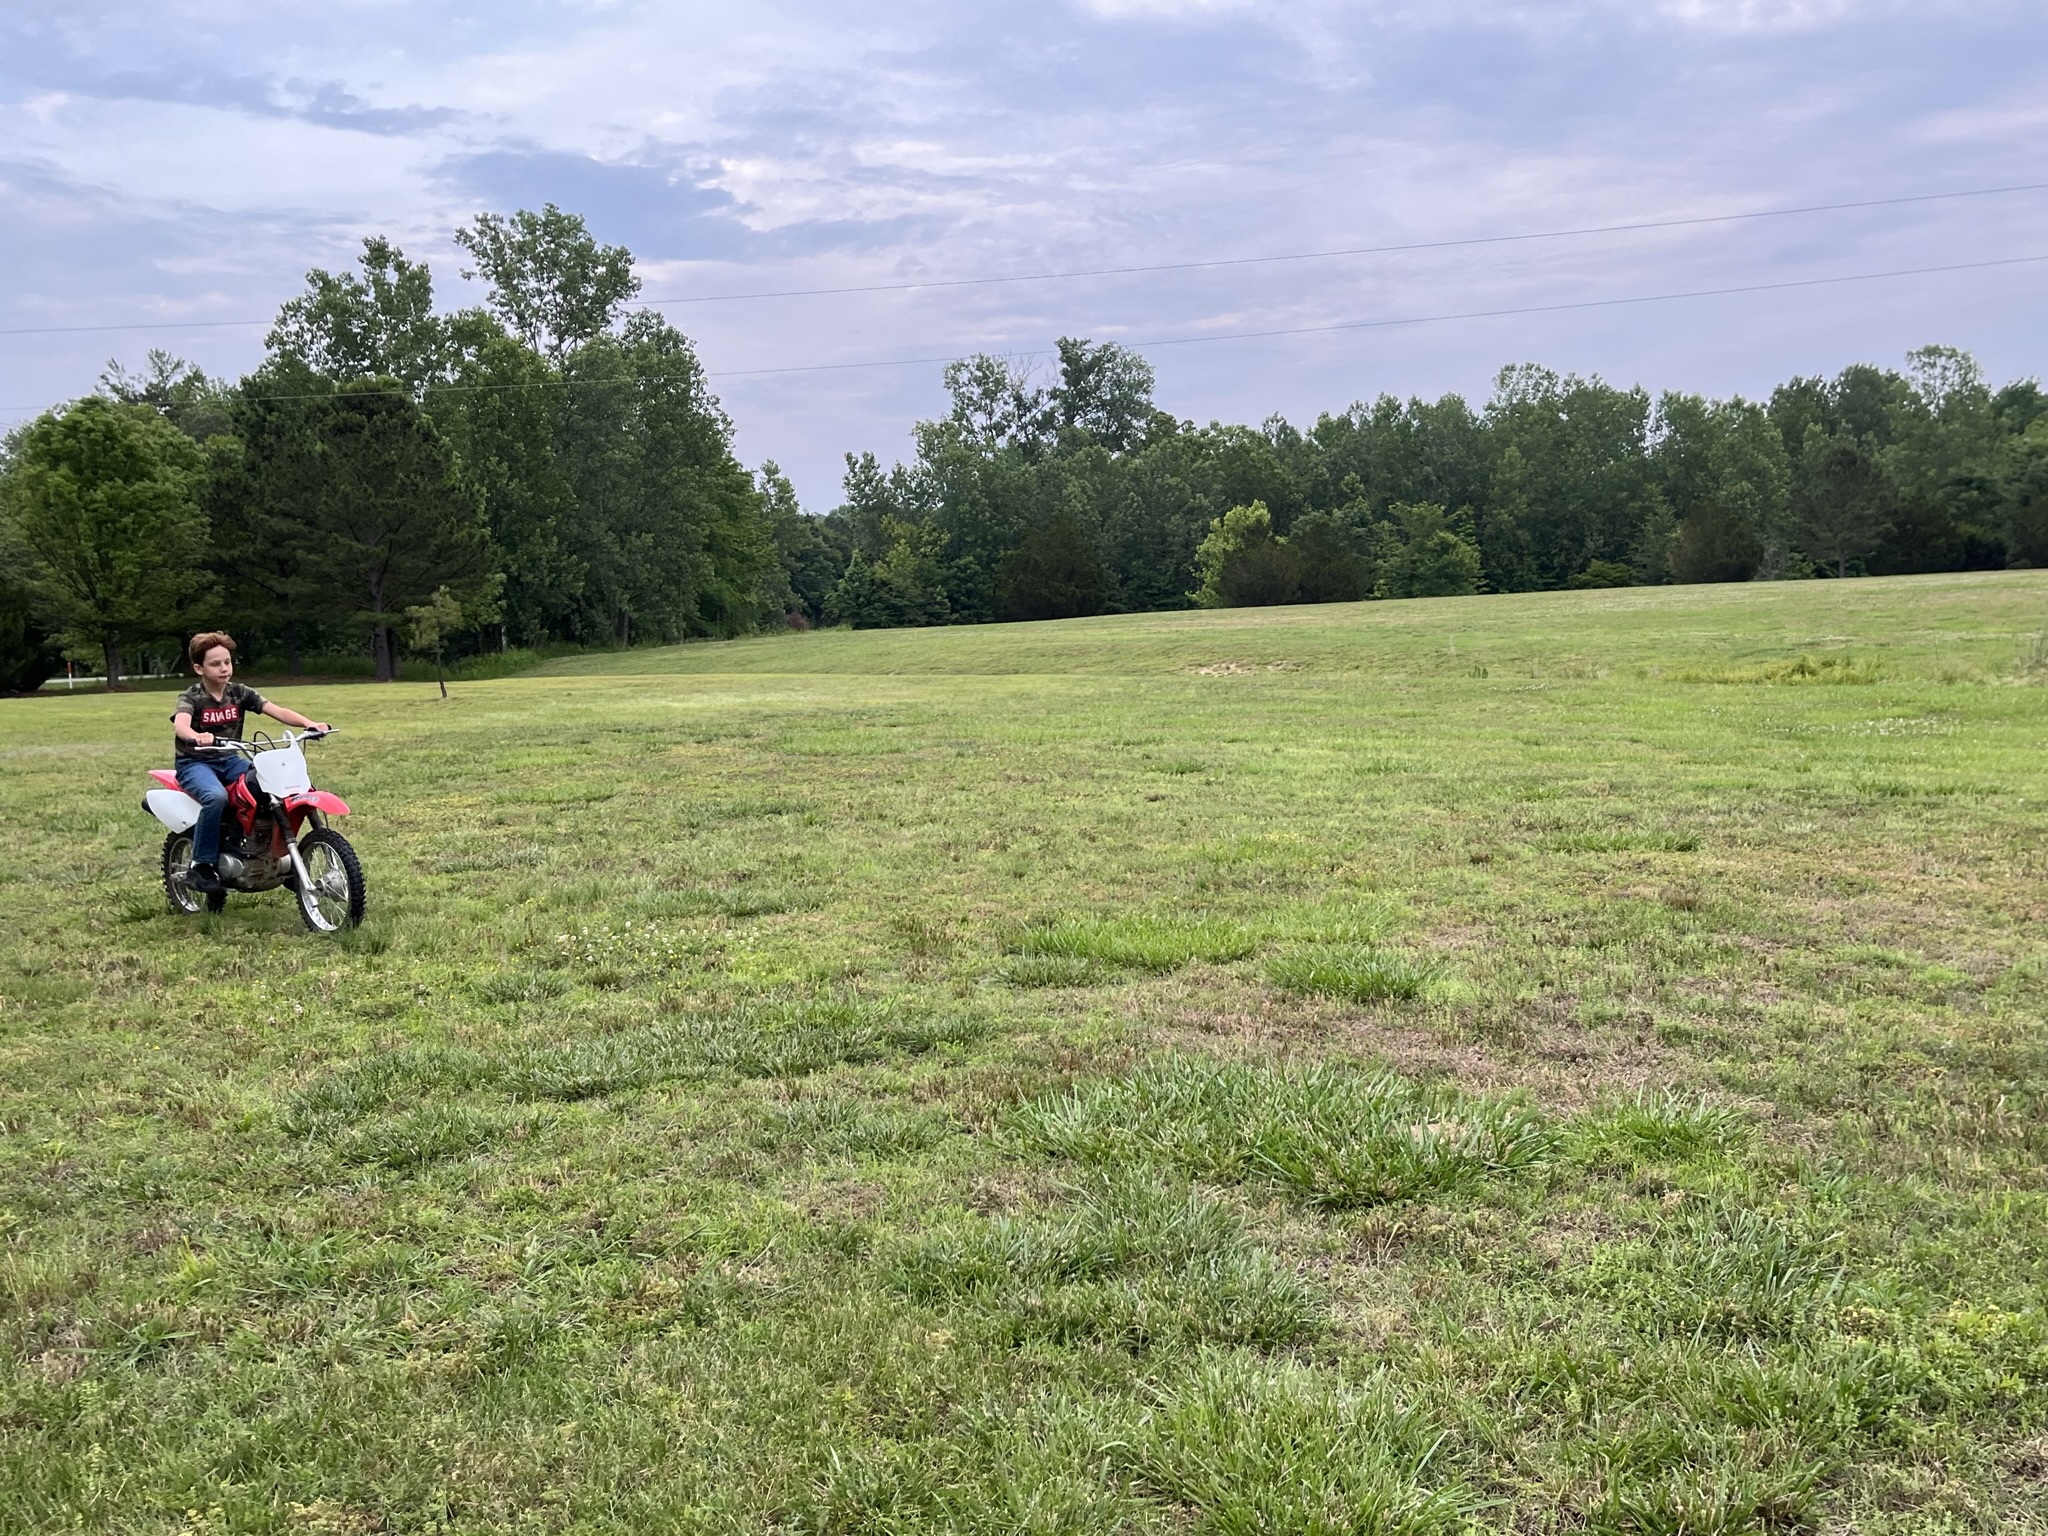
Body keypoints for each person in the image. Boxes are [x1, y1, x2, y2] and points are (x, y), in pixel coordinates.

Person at [171, 631, 329, 893]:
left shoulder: (239, 692)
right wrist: (197, 736)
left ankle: (272, 853)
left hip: (229, 759)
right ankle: (201, 865)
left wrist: (308, 723)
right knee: (216, 797)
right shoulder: (191, 697)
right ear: (199, 668)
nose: (224, 668)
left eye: (227, 662)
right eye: (215, 664)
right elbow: (181, 725)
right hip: (195, 763)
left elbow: (276, 710)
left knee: (270, 785)